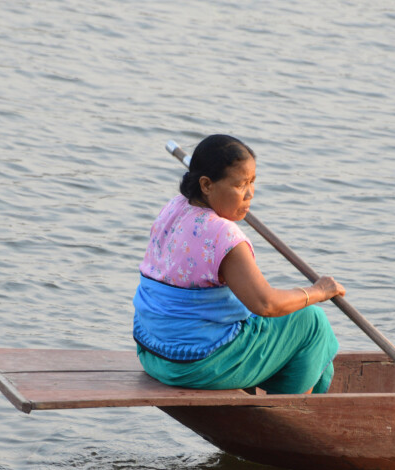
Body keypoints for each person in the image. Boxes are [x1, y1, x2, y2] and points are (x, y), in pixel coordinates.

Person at [132, 134, 345, 394]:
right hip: (193, 365)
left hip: (152, 351)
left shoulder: (174, 208)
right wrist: (319, 292)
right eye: (241, 185)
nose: (250, 194)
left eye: (252, 182)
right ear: (206, 185)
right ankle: (289, 412)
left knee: (267, 311)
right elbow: (266, 304)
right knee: (311, 321)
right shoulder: (223, 236)